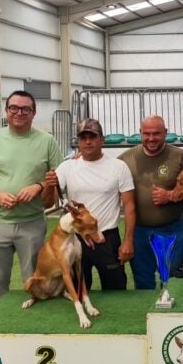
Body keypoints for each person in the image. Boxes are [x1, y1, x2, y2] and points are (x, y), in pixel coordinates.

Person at [0, 90, 63, 302]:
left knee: (36, 283)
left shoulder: (47, 141)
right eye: (14, 108)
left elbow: (58, 177)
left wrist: (38, 186)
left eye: (25, 109)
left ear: (33, 113)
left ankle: (34, 329)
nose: (19, 113)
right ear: (6, 110)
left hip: (32, 223)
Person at [44, 118, 135, 291]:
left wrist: (128, 241)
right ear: (77, 141)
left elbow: (129, 206)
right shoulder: (67, 166)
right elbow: (47, 202)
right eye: (83, 137)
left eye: (92, 137)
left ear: (102, 139)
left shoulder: (118, 167)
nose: (87, 141)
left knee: (116, 290)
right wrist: (48, 185)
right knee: (77, 290)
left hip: (106, 238)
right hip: (75, 239)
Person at [120, 115, 183, 287]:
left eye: (156, 134)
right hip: (139, 231)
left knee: (173, 281)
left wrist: (171, 195)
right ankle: (145, 313)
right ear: (140, 133)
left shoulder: (180, 156)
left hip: (173, 228)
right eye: (147, 134)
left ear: (165, 132)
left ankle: (172, 313)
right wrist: (80, 157)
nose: (151, 138)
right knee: (143, 281)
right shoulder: (125, 160)